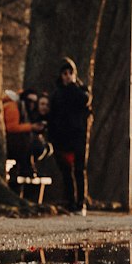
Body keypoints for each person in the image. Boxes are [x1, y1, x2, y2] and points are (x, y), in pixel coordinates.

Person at [48, 57, 91, 213]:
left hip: (78, 137)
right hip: (62, 138)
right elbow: (52, 115)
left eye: (70, 73)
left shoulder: (81, 91)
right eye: (64, 73)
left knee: (79, 170)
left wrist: (73, 86)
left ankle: (81, 203)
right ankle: (70, 202)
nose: (67, 76)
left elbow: (84, 101)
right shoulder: (56, 94)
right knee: (66, 172)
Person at [2, 89, 45, 186]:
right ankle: (23, 168)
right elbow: (11, 127)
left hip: (16, 141)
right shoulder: (13, 107)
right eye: (29, 101)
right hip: (9, 142)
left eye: (34, 102)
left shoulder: (24, 110)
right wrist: (31, 127)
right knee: (32, 143)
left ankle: (25, 167)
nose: (32, 104)